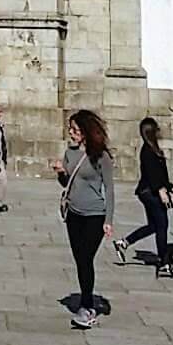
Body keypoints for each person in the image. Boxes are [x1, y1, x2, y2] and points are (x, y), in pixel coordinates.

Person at [52, 109, 115, 330]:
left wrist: (109, 219)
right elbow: (66, 183)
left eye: (76, 130)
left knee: (86, 258)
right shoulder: (70, 153)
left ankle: (87, 307)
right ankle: (85, 302)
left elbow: (109, 188)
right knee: (80, 260)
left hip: (95, 215)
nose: (71, 133)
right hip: (74, 213)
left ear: (87, 132)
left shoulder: (101, 156)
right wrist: (60, 172)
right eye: (70, 129)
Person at [115, 117, 173, 277]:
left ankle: (124, 242)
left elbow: (160, 173)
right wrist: (161, 191)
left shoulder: (152, 148)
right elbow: (152, 174)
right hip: (150, 193)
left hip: (149, 192)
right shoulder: (148, 151)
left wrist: (168, 187)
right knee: (162, 225)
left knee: (154, 226)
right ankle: (164, 262)